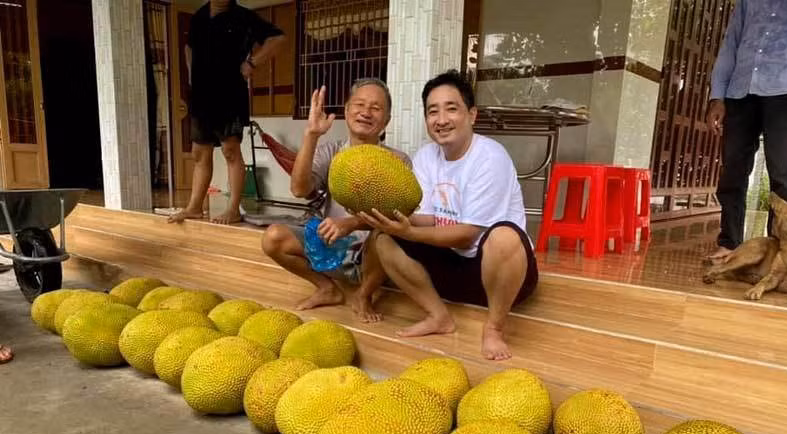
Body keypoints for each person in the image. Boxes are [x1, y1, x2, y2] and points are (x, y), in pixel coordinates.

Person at [358, 70, 538, 361]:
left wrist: (410, 232)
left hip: (500, 275)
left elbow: (468, 232)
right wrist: (388, 217)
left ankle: (494, 328)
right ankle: (438, 316)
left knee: (504, 236)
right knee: (383, 237)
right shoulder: (427, 156)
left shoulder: (490, 157)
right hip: (455, 269)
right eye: (433, 111)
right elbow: (427, 217)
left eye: (451, 109)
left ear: (472, 114)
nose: (441, 119)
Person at [261, 79, 411, 322]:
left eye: (376, 108)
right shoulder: (331, 152)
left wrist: (351, 223)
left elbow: (397, 217)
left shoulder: (398, 161)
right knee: (273, 238)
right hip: (330, 246)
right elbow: (299, 189)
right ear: (346, 110)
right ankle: (326, 288)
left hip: (371, 256)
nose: (365, 112)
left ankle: (363, 295)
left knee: (386, 235)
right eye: (359, 104)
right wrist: (311, 135)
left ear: (386, 121)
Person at [169, 0, 285, 225]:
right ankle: (194, 207)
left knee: (230, 150)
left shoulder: (244, 17)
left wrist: (252, 63)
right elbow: (188, 47)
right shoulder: (199, 16)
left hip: (230, 95)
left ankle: (233, 210)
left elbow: (278, 38)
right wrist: (193, 76)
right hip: (202, 97)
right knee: (199, 153)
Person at [705, 0, 787, 262]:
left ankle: (780, 253)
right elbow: (731, 44)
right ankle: (729, 243)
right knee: (733, 168)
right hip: (740, 91)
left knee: (785, 174)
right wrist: (718, 97)